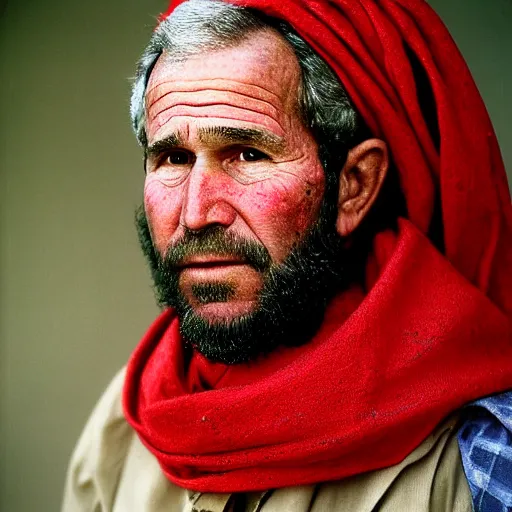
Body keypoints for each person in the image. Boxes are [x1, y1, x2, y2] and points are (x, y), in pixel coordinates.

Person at [62, 0, 512, 510]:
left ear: (354, 186)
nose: (194, 213)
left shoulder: (478, 450)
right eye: (173, 158)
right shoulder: (124, 424)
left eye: (248, 154)